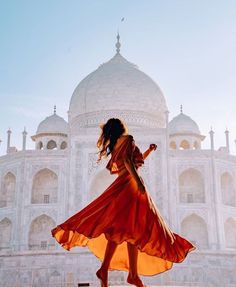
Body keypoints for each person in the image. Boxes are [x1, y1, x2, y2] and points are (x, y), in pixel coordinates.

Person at [51, 118, 196, 287]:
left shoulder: (115, 146)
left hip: (123, 184)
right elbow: (128, 163)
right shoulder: (128, 139)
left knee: (124, 229)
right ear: (122, 127)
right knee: (134, 227)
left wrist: (148, 151)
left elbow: (134, 161)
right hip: (131, 185)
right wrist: (139, 184)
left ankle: (112, 270)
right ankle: (130, 274)